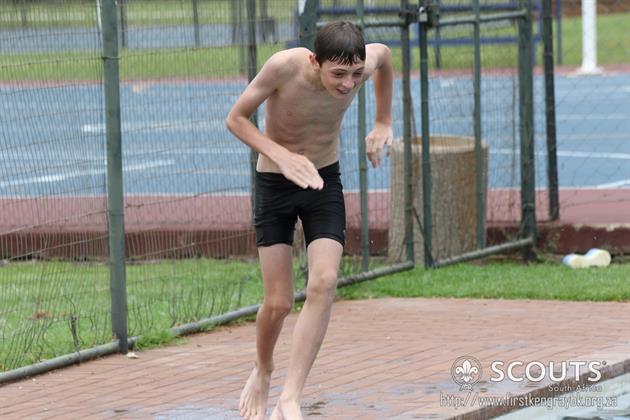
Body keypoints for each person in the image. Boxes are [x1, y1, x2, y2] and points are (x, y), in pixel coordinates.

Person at [225, 20, 393, 420]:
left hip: (322, 179)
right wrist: (281, 155)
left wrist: (383, 121)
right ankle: (263, 368)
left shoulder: (365, 63)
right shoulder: (283, 67)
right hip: (275, 183)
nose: (348, 84)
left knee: (325, 280)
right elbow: (236, 119)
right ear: (316, 62)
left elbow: (385, 58)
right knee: (279, 302)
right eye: (339, 74)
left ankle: (290, 397)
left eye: (356, 74)